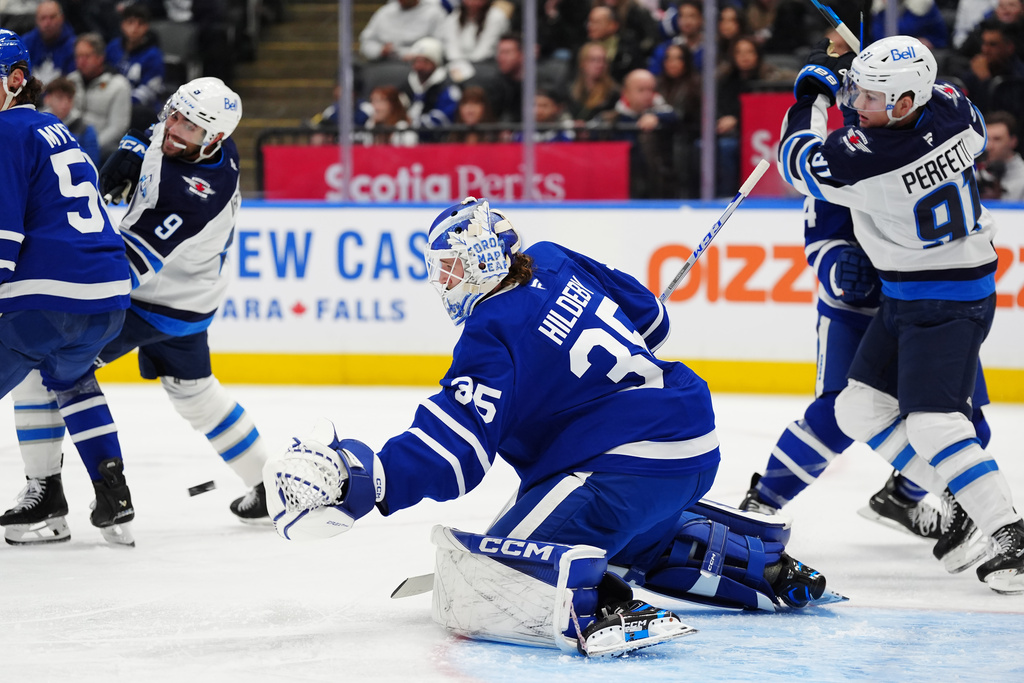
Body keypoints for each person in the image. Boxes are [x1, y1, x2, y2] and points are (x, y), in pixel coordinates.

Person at [262, 197, 845, 656]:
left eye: (453, 266)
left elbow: (455, 451)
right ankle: (750, 562)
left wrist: (365, 477)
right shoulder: (556, 257)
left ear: (486, 258)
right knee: (601, 525)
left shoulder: (492, 330)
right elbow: (656, 323)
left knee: (484, 578)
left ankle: (602, 604)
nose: (444, 280)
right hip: (691, 442)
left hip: (626, 465)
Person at [777, 34, 1024, 593]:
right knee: (857, 409)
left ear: (904, 104)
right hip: (922, 291)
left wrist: (811, 94)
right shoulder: (959, 111)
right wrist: (864, 66)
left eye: (867, 97)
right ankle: (962, 498)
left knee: (936, 423)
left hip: (943, 300)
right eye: (856, 93)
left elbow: (796, 162)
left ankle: (1011, 532)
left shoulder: (866, 163)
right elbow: (928, 97)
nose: (855, 105)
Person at [1, 76, 273, 547]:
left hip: (149, 302)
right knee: (196, 394)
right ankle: (271, 488)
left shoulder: (191, 195)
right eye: (174, 114)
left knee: (44, 362)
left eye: (189, 126)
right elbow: (163, 132)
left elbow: (119, 272)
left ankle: (48, 495)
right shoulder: (203, 142)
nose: (174, 128)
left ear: (215, 138)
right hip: (194, 299)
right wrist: (135, 142)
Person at [0, 29, 132, 546]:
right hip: (106, 302)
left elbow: (5, 236)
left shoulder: (6, 133)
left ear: (15, 80)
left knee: (34, 359)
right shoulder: (53, 126)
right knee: (69, 382)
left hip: (48, 303)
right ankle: (112, 494)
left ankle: (52, 496)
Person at [66, 32, 131, 159]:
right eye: (78, 56)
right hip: (70, 145)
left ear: (100, 57)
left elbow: (117, 128)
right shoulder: (71, 81)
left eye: (86, 56)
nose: (81, 61)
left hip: (101, 150)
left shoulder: (119, 86)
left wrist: (90, 147)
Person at [105, 3, 164, 128]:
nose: (134, 28)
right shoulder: (113, 46)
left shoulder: (154, 55)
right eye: (130, 22)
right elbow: (104, 75)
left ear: (147, 26)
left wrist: (121, 102)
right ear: (122, 24)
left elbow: (148, 91)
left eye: (140, 23)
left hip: (138, 109)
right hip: (111, 99)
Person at [401, 36, 461, 140]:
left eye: (425, 61)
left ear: (435, 62)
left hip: (436, 144)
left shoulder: (447, 87)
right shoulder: (408, 84)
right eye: (416, 61)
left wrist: (411, 124)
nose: (419, 66)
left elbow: (444, 119)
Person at [42, 75, 100, 165]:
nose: (65, 103)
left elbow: (91, 164)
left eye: (69, 98)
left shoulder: (85, 129)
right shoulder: (37, 125)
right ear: (48, 99)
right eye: (60, 97)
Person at [19, 0, 76, 85]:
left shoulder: (74, 46)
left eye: (52, 17)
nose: (47, 23)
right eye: (43, 18)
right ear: (36, 21)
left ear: (61, 18)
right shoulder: (25, 44)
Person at [567, 41, 620, 122]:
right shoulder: (571, 91)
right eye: (593, 60)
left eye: (603, 60)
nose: (600, 65)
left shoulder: (614, 93)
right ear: (582, 63)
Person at [977, 110, 1024, 200]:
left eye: (997, 139)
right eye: (987, 139)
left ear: (1013, 141)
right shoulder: (975, 176)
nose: (989, 146)